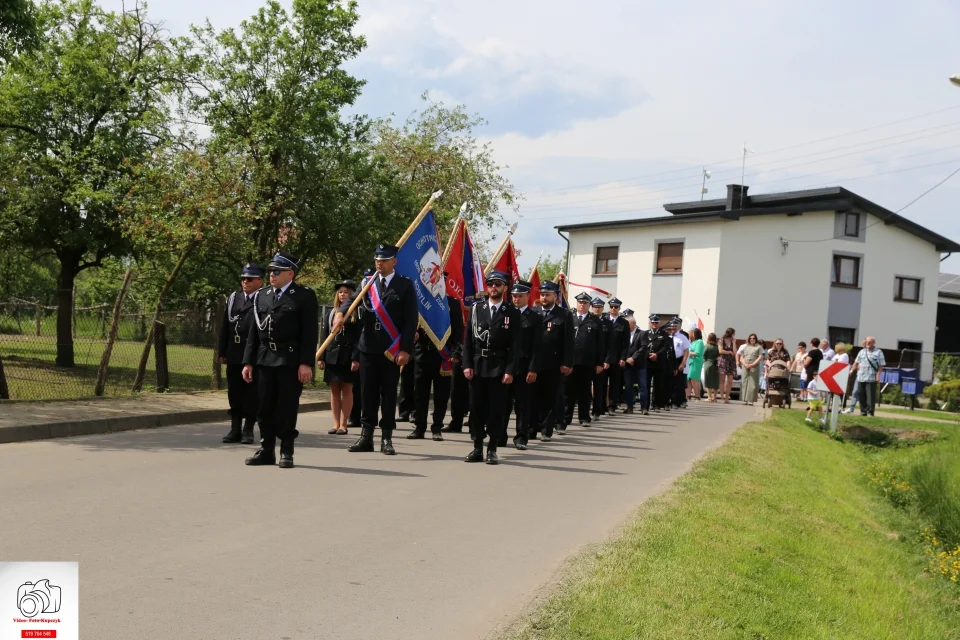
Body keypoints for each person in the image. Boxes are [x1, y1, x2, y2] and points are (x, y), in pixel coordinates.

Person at [337, 243, 418, 456]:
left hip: (391, 350)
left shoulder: (405, 285)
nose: (379, 263)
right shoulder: (368, 282)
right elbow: (352, 301)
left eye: (383, 260)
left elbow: (411, 321)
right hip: (368, 346)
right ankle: (366, 436)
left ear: (394, 261)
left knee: (388, 394)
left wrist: (405, 350)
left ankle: (387, 438)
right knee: (367, 393)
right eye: (377, 260)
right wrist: (340, 313)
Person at [242, 253, 319, 469]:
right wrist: (248, 362)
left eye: (276, 271)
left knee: (286, 408)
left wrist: (306, 363)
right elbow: (254, 334)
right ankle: (266, 450)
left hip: (290, 359)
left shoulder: (303, 296)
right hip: (265, 358)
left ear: (290, 274)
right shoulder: (262, 295)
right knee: (264, 407)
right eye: (270, 271)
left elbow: (309, 334)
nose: (272, 275)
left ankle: (287, 450)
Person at [462, 271, 521, 465]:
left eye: (497, 284)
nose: (493, 288)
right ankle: (477, 447)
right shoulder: (476, 309)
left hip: (499, 366)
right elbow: (468, 341)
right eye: (490, 284)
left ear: (505, 287)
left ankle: (492, 448)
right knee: (476, 408)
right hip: (478, 365)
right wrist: (467, 364)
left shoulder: (511, 312)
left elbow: (515, 345)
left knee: (496, 409)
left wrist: (510, 370)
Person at [408, 278, 464, 441]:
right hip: (422, 352)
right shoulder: (421, 302)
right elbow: (412, 324)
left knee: (441, 393)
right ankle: (419, 427)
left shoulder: (452, 303)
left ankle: (437, 427)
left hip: (443, 354)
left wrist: (455, 352)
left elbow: (458, 330)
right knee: (420, 392)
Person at [218, 263, 264, 445]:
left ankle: (248, 430)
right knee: (234, 392)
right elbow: (225, 326)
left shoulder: (263, 298)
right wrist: (222, 350)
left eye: (250, 279)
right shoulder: (234, 298)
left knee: (251, 393)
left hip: (253, 353)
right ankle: (235, 428)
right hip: (235, 352)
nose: (245, 282)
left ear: (259, 281)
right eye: (244, 278)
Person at [318, 279, 361, 435]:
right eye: (340, 292)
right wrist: (321, 357)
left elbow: (358, 338)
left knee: (347, 389)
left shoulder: (356, 313)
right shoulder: (332, 313)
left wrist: (356, 358)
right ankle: (335, 424)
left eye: (346, 292)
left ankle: (344, 424)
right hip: (332, 355)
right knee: (334, 390)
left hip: (348, 355)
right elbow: (324, 335)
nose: (343, 295)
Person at [535, 281, 574, 442]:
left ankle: (546, 429)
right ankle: (532, 427)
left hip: (554, 363)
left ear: (555, 296)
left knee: (550, 398)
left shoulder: (564, 314)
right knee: (533, 397)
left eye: (548, 295)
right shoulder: (533, 312)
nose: (544, 297)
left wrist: (567, 363)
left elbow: (569, 342)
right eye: (542, 294)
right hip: (534, 363)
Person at [508, 280, 543, 450]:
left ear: (528, 297)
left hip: (524, 366)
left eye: (520, 296)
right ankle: (499, 435)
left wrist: (533, 368)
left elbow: (538, 346)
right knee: (503, 403)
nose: (516, 299)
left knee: (523, 405)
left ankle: (522, 436)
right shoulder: (505, 313)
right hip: (505, 366)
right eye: (514, 296)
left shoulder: (535, 317)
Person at [566, 293, 603, 429]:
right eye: (580, 302)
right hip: (570, 361)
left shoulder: (595, 321)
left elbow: (601, 344)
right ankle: (566, 417)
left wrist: (599, 362)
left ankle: (584, 417)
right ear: (576, 304)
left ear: (589, 305)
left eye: (585, 303)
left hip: (587, 362)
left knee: (584, 391)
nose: (582, 305)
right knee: (568, 391)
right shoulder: (569, 317)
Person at [623, 313, 650, 414]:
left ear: (633, 323)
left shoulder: (642, 333)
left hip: (639, 365)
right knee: (628, 386)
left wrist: (633, 358)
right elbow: (622, 348)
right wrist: (626, 359)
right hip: (627, 365)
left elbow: (643, 347)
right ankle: (630, 407)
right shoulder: (624, 334)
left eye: (628, 324)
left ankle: (644, 408)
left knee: (642, 386)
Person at [851, 336, 885, 417]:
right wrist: (852, 370)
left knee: (870, 396)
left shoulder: (878, 352)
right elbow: (856, 362)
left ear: (873, 343)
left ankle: (870, 412)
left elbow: (881, 366)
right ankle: (863, 411)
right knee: (861, 395)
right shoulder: (862, 352)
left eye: (870, 342)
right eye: (867, 342)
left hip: (871, 377)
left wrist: (878, 375)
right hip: (861, 377)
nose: (868, 343)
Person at [606, 297, 629, 413]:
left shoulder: (624, 323)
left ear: (619, 308)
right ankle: (601, 405)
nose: (613, 309)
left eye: (616, 307)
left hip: (616, 357)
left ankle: (612, 405)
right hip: (604, 357)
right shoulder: (604, 319)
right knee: (602, 383)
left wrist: (623, 358)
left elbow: (626, 343)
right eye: (611, 307)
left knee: (614, 383)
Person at [590, 298, 611, 419]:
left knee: (599, 386)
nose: (597, 309)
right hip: (588, 359)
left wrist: (607, 360)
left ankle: (597, 410)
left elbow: (610, 344)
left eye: (599, 307)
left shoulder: (607, 323)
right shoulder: (588, 320)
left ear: (603, 308)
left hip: (601, 359)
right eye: (595, 306)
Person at [646, 315, 672, 411]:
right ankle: (646, 405)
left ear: (659, 323)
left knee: (658, 385)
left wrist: (656, 355)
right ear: (650, 323)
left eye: (656, 323)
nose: (654, 324)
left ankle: (656, 404)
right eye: (653, 322)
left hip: (659, 362)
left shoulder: (664, 334)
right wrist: (649, 354)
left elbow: (665, 347)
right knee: (646, 385)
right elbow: (643, 346)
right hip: (648, 362)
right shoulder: (645, 333)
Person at [669, 318, 690, 408]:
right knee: (669, 382)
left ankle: (677, 401)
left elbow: (686, 351)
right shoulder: (667, 336)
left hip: (678, 360)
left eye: (675, 326)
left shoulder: (682, 337)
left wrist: (683, 363)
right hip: (669, 361)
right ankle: (670, 400)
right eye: (672, 326)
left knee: (678, 383)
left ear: (679, 327)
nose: (673, 328)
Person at [740, 333, 764, 405]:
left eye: (753, 338)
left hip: (754, 367)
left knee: (752, 383)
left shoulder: (759, 347)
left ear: (756, 339)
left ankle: (751, 400)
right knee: (744, 382)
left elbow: (760, 357)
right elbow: (741, 357)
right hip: (745, 366)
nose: (752, 339)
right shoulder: (745, 347)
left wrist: (752, 364)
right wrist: (744, 364)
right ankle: (744, 399)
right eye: (751, 338)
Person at [718, 328, 737, 404]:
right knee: (722, 381)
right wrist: (729, 351)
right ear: (731, 333)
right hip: (723, 361)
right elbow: (720, 351)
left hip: (731, 362)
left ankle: (727, 398)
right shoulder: (721, 340)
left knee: (730, 381)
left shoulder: (732, 341)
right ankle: (722, 397)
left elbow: (735, 352)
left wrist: (734, 342)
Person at [686, 328, 704, 402]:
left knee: (694, 379)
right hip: (690, 362)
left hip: (696, 362)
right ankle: (688, 395)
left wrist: (687, 353)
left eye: (691, 333)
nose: (690, 335)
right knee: (688, 379)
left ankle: (697, 396)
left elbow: (697, 353)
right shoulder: (692, 342)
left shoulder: (699, 342)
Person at [702, 333, 720, 402]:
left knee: (708, 380)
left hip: (708, 364)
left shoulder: (707, 346)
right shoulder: (717, 347)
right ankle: (715, 397)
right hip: (716, 365)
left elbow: (704, 355)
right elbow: (719, 355)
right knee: (715, 381)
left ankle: (709, 397)